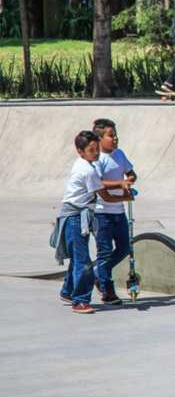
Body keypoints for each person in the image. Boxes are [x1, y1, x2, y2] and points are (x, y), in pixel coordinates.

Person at [53, 131, 131, 314]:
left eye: (97, 150)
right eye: (91, 150)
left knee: (77, 257)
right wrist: (126, 196)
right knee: (83, 261)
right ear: (80, 151)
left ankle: (67, 291)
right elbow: (105, 196)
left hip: (77, 214)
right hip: (75, 218)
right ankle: (80, 301)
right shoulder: (88, 170)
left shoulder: (83, 163)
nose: (95, 153)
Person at [92, 118, 137, 305]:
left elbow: (132, 173)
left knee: (125, 247)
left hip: (119, 212)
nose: (115, 139)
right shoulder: (97, 160)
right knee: (104, 252)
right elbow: (99, 185)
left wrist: (130, 180)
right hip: (101, 213)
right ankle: (107, 290)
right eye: (111, 136)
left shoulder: (119, 154)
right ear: (100, 139)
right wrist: (121, 185)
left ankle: (97, 273)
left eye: (116, 135)